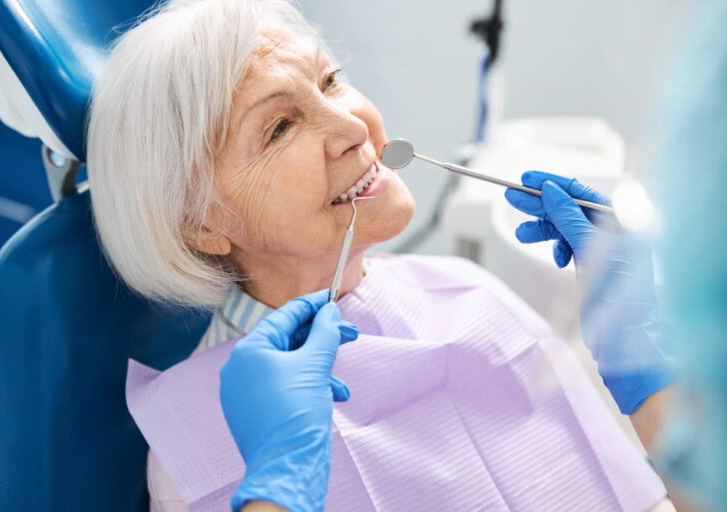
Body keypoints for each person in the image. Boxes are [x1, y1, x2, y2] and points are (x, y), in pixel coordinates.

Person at [87, 0, 672, 510]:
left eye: (331, 81)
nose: (351, 127)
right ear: (201, 222)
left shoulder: (468, 291)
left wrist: (659, 382)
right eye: (279, 128)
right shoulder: (199, 442)